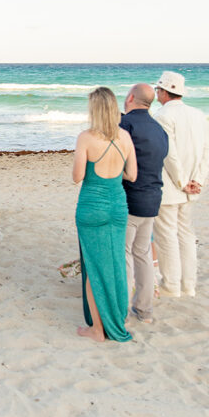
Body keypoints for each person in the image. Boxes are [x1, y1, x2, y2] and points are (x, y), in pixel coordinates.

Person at [72, 87, 137, 343]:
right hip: (118, 205)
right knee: (116, 263)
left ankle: (97, 330)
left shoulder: (86, 137)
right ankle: (118, 317)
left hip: (92, 207)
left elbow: (77, 176)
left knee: (94, 268)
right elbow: (132, 175)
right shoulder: (125, 137)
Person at [152, 71, 209, 298]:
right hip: (192, 185)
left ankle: (172, 285)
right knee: (185, 234)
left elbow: (169, 154)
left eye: (158, 89)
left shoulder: (162, 116)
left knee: (167, 236)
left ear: (163, 91)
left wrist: (182, 181)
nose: (157, 93)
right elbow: (207, 151)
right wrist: (198, 179)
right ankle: (189, 285)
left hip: (170, 186)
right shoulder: (198, 115)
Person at [119, 84, 168, 322]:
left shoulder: (126, 125)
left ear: (130, 98)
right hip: (153, 198)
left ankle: (123, 309)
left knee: (126, 254)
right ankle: (145, 310)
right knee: (143, 254)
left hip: (131, 198)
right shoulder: (159, 129)